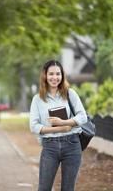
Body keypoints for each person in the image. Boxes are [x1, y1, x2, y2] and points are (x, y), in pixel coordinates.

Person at [29, 60, 87, 191]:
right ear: (45, 75)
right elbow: (34, 126)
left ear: (62, 76)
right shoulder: (37, 99)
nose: (55, 77)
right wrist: (61, 128)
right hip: (50, 146)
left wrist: (64, 122)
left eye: (58, 74)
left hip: (72, 145)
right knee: (44, 188)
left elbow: (82, 116)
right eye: (51, 74)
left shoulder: (70, 94)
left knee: (68, 188)